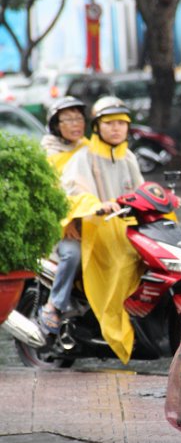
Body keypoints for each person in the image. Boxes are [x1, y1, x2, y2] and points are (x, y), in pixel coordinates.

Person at [60, 96, 145, 363]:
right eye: (110, 123)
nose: (117, 128)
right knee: (122, 266)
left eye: (122, 123)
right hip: (96, 232)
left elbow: (142, 191)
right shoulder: (83, 158)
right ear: (97, 126)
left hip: (126, 229)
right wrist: (95, 206)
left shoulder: (128, 156)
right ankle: (113, 328)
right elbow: (71, 191)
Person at [38, 96, 89, 333]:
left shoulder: (89, 148)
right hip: (62, 228)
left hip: (91, 220)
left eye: (78, 118)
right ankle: (54, 305)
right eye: (67, 119)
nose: (75, 124)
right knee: (72, 254)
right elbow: (50, 194)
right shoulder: (49, 154)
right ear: (56, 125)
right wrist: (66, 221)